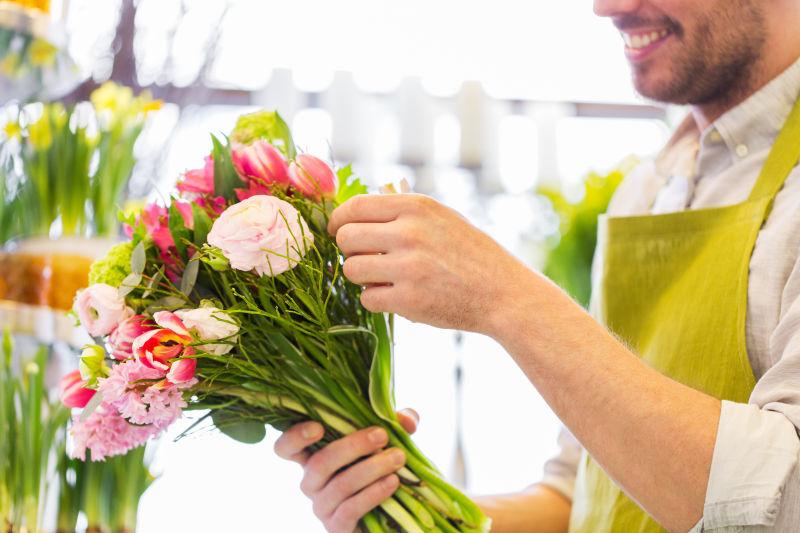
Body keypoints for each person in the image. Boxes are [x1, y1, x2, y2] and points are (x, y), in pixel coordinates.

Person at [274, 0, 800, 531]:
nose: (607, 8)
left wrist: (504, 295)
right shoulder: (646, 191)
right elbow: (581, 493)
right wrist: (409, 503)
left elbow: (789, 498)